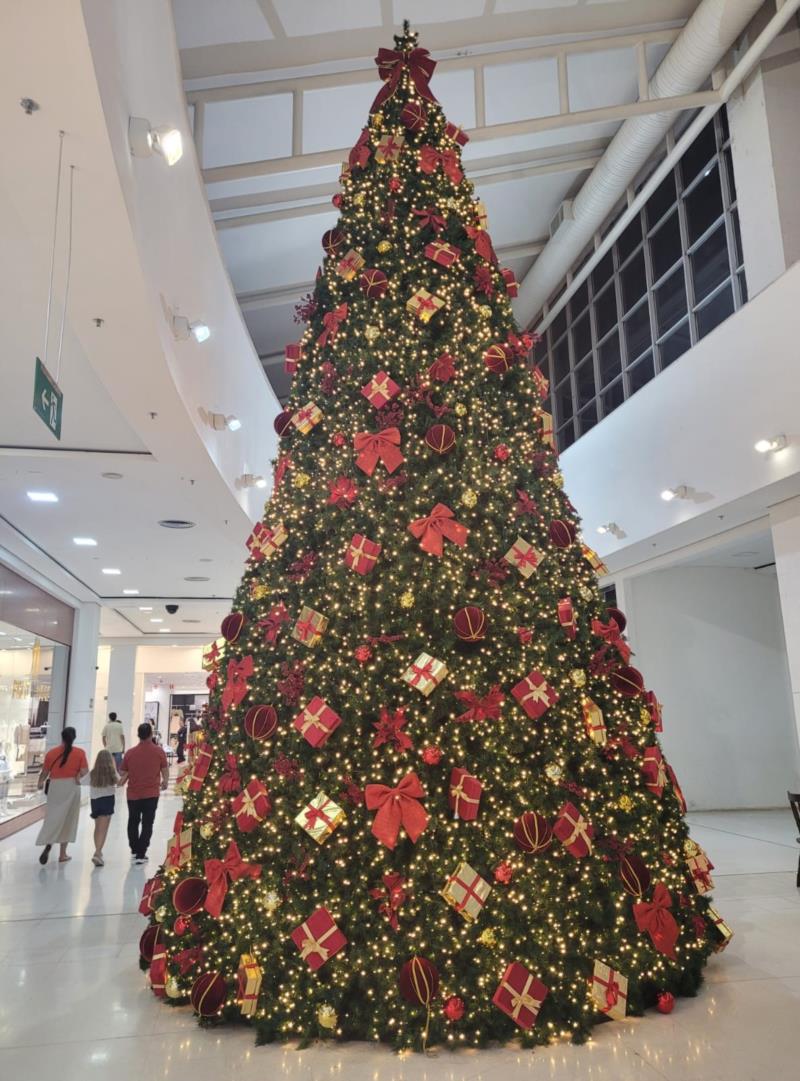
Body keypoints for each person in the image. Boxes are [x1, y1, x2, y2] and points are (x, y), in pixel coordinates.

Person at [36, 726, 88, 864]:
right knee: (68, 820)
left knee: (53, 816)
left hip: (55, 787)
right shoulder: (80, 753)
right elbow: (84, 772)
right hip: (71, 787)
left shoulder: (52, 753)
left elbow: (45, 772)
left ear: (62, 737)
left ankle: (49, 842)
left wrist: (40, 782)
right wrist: (77, 774)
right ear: (74, 737)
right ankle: (62, 854)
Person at [118, 722, 169, 865]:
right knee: (148, 823)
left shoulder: (130, 752)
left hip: (133, 794)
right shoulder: (158, 751)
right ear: (151, 734)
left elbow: (122, 771)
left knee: (133, 821)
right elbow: (164, 769)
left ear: (138, 735)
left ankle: (134, 849)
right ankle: (141, 853)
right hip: (151, 793)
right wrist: (165, 782)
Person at [88, 749, 118, 867]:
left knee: (97, 828)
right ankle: (98, 852)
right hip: (107, 800)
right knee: (103, 829)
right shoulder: (112, 772)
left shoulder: (93, 773)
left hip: (95, 801)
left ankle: (98, 851)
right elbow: (120, 782)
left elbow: (80, 781)